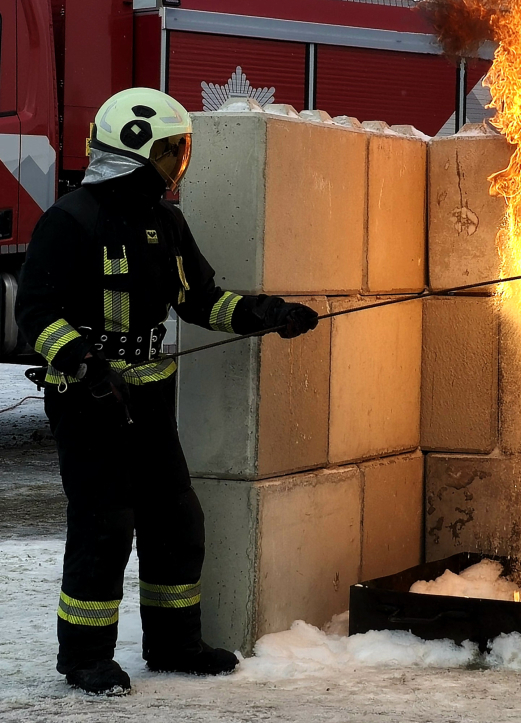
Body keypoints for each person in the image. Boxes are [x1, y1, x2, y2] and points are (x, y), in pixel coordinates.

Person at [15, 88, 319, 697]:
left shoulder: (165, 222)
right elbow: (36, 312)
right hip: (87, 403)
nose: (180, 163)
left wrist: (270, 314)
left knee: (176, 520)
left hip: (150, 402)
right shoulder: (70, 221)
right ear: (136, 147)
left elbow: (200, 300)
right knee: (105, 527)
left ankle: (174, 644)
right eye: (172, 151)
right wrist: (83, 361)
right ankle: (84, 657)